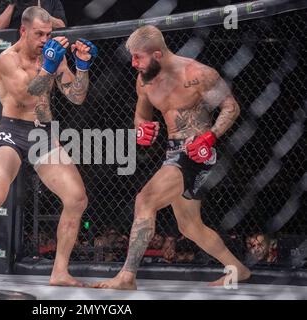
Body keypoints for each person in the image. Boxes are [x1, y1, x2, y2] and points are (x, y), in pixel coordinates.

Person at [0, 6, 97, 287]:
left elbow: (76, 96)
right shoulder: (7, 59)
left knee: (77, 198)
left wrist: (82, 66)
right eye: (39, 34)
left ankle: (59, 272)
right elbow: (28, 93)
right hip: (12, 132)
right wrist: (49, 66)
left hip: (43, 135)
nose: (44, 39)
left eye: (49, 34)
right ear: (23, 31)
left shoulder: (51, 54)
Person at [92, 25, 250, 290]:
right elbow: (142, 115)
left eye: (138, 57)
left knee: (145, 200)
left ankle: (127, 276)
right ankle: (239, 269)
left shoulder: (198, 74)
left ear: (157, 54)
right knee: (190, 226)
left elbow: (230, 107)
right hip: (172, 151)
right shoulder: (144, 80)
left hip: (196, 152)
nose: (133, 64)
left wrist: (210, 136)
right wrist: (141, 130)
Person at [0, 0, 66, 30]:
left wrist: (42, 13)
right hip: (15, 46)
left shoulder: (51, 1)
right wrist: (12, 4)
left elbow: (61, 25)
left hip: (42, 45)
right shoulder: (9, 2)